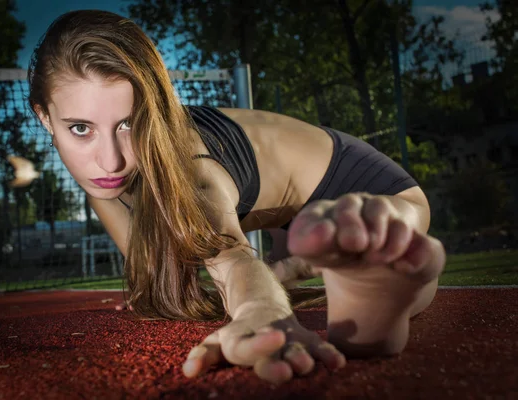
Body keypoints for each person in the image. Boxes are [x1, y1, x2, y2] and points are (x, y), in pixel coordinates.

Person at [27, 9, 446, 385]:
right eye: (80, 128)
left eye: (128, 124)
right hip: (293, 224)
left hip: (368, 190)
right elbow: (154, 272)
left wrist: (260, 310)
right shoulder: (102, 180)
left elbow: (229, 254)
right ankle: (362, 279)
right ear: (45, 117)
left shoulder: (190, 170)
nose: (110, 161)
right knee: (167, 296)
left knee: (377, 239)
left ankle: (381, 269)